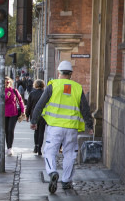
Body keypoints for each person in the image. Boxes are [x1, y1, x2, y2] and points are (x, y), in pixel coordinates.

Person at [30, 60, 94, 192]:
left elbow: (40, 104)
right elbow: (85, 108)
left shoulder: (52, 86)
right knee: (70, 154)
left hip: (55, 128)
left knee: (50, 152)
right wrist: (90, 125)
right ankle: (66, 181)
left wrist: (34, 121)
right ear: (71, 73)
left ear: (58, 72)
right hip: (71, 128)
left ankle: (53, 172)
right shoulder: (77, 87)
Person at [4, 76, 25, 156]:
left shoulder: (14, 91)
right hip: (5, 114)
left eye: (8, 82)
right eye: (5, 82)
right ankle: (7, 147)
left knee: (10, 130)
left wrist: (23, 111)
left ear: (10, 83)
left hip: (13, 113)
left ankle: (10, 148)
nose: (6, 84)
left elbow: (20, 101)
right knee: (6, 131)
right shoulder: (1, 91)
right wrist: (6, 96)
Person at [25, 79, 46, 155]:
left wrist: (27, 115)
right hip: (43, 115)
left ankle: (36, 147)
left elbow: (29, 106)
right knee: (41, 131)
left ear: (35, 85)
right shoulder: (44, 93)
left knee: (36, 131)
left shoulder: (32, 94)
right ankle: (40, 148)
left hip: (34, 114)